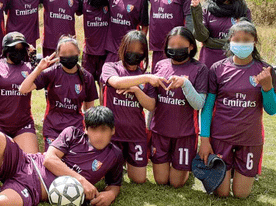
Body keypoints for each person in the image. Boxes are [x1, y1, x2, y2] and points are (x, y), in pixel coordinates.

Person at [199, 21, 276, 199]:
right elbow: (207, 107)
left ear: (255, 42)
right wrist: (204, 140)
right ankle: (223, 169)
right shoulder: (217, 69)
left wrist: (267, 88)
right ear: (229, 41)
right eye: (237, 40)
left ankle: (237, 170)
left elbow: (272, 110)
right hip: (221, 137)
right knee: (222, 193)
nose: (242, 44)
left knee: (241, 195)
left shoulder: (265, 70)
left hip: (249, 139)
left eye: (247, 40)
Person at [144, 27, 209, 188]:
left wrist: (185, 84)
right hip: (160, 132)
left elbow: (199, 104)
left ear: (191, 46)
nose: (175, 49)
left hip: (185, 134)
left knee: (176, 183)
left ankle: (185, 168)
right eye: (171, 45)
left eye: (180, 45)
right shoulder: (160, 65)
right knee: (161, 181)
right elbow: (152, 103)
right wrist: (147, 127)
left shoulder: (200, 69)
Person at [100, 31, 161, 184]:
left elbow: (151, 105)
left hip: (136, 133)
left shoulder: (144, 75)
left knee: (139, 179)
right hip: (112, 134)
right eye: (130, 50)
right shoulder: (110, 67)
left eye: (139, 51)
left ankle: (127, 161)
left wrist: (136, 90)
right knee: (109, 177)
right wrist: (146, 78)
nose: (134, 54)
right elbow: (117, 83)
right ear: (122, 49)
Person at [19, 35, 98, 150]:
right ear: (58, 56)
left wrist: (88, 132)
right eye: (64, 53)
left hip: (75, 128)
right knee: (53, 161)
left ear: (78, 52)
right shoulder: (51, 73)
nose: (68, 56)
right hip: (53, 128)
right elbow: (23, 89)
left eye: (71, 52)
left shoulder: (87, 77)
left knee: (74, 161)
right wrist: (39, 68)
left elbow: (89, 110)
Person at [0, 32, 40, 153]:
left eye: (22, 48)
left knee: (30, 161)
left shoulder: (29, 68)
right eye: (14, 48)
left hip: (23, 125)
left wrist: (33, 58)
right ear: (6, 50)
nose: (18, 52)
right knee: (1, 163)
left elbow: (41, 80)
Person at [75, 0, 149, 63]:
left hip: (128, 50)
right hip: (111, 50)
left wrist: (139, 46)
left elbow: (144, 27)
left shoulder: (141, 1)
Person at [191, 0, 252, 68]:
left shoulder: (242, 11)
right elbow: (202, 37)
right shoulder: (207, 9)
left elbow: (244, 40)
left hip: (234, 63)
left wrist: (210, 42)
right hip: (209, 62)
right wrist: (196, 11)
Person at [147, 0, 195, 72]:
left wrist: (185, 43)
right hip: (157, 48)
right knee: (157, 81)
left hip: (176, 48)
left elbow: (190, 19)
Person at [77, 0, 110, 94]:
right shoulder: (84, 3)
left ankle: (103, 110)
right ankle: (87, 111)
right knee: (86, 84)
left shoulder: (110, 4)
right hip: (89, 54)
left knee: (103, 85)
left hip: (105, 54)